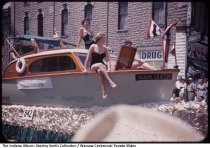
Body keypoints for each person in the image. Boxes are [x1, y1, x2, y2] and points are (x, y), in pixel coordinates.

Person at [83, 32, 117, 99]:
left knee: (100, 70)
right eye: (104, 38)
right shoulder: (93, 46)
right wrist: (85, 68)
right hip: (93, 65)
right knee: (101, 65)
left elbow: (108, 60)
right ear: (99, 38)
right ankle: (110, 81)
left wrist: (109, 69)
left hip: (101, 66)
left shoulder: (105, 49)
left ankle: (103, 91)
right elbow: (88, 58)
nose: (105, 39)